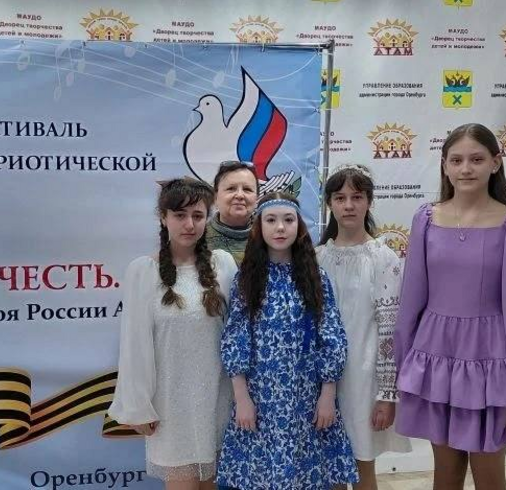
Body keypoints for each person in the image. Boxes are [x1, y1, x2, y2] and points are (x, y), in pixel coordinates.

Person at [394, 123, 506, 490]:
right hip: (435, 359)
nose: (466, 168)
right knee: (445, 477)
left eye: (476, 159)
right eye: (456, 160)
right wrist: (406, 368)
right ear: (444, 165)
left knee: (489, 478)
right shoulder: (425, 219)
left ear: (495, 163)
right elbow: (412, 299)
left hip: (491, 365)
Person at [216, 191, 358, 490]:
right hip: (261, 399)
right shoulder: (246, 279)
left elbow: (331, 334)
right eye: (271, 220)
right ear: (259, 227)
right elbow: (236, 338)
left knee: (307, 478)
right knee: (263, 477)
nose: (280, 228)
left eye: (288, 220)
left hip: (307, 398)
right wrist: (242, 399)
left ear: (299, 226)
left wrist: (327, 395)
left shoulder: (316, 277)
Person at [108, 178, 239, 490]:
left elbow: (238, 335)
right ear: (163, 217)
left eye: (198, 215)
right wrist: (138, 406)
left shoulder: (223, 264)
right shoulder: (143, 271)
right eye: (180, 215)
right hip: (170, 406)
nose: (189, 224)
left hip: (219, 400)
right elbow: (134, 345)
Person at [316, 164, 411, 490]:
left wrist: (387, 395)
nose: (348, 205)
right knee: (327, 468)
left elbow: (390, 331)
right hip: (321, 381)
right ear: (329, 203)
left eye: (357, 197)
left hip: (363, 380)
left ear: (369, 201)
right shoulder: (317, 258)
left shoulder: (383, 258)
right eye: (340, 198)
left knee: (360, 467)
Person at [205, 161, 258, 263]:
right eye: (231, 189)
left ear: (257, 199)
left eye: (247, 189)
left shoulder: (269, 237)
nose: (239, 195)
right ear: (215, 197)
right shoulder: (198, 238)